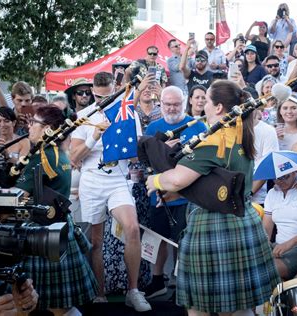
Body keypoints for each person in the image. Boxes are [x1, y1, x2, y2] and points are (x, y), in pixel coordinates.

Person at [146, 80, 280, 314]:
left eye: (206, 101)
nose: (202, 105)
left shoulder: (214, 141)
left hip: (214, 225)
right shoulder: (240, 132)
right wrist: (175, 192)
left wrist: (155, 181)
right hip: (243, 220)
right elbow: (213, 181)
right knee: (239, 307)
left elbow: (177, 178)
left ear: (218, 107)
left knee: (199, 308)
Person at [70, 72, 151, 311]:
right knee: (96, 241)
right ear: (92, 92)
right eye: (97, 97)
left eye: (106, 97)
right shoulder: (84, 116)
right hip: (92, 181)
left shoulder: (127, 112)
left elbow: (136, 153)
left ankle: (133, 291)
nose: (100, 102)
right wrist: (95, 135)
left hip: (117, 180)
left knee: (133, 228)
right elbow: (74, 158)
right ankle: (100, 293)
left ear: (115, 90)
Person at [16, 106, 98, 315]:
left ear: (48, 129)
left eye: (34, 122)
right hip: (59, 229)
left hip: (42, 233)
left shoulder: (41, 157)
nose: (29, 126)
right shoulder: (59, 153)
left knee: (23, 303)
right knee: (61, 306)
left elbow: (18, 196)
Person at [143, 86, 207, 299]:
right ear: (160, 103)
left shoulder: (197, 125)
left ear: (185, 102)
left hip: (187, 195)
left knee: (183, 241)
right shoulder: (153, 127)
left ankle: (180, 282)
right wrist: (161, 149)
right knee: (157, 237)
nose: (171, 108)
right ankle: (158, 279)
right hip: (158, 194)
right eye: (167, 104)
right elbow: (143, 160)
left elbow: (203, 162)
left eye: (176, 104)